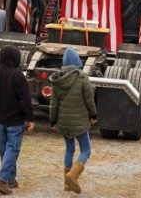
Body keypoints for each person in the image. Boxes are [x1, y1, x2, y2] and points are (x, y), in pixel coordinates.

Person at [0, 45, 34, 195]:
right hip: (15, 121)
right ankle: (2, 179)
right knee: (12, 150)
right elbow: (25, 100)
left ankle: (10, 180)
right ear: (16, 58)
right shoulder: (17, 75)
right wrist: (30, 118)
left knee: (6, 151)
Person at [50, 47, 98, 194]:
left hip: (64, 122)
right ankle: (72, 175)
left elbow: (54, 104)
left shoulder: (57, 79)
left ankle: (66, 183)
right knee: (86, 150)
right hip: (80, 122)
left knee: (69, 149)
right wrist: (93, 115)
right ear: (77, 60)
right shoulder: (83, 77)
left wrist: (53, 121)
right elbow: (89, 100)